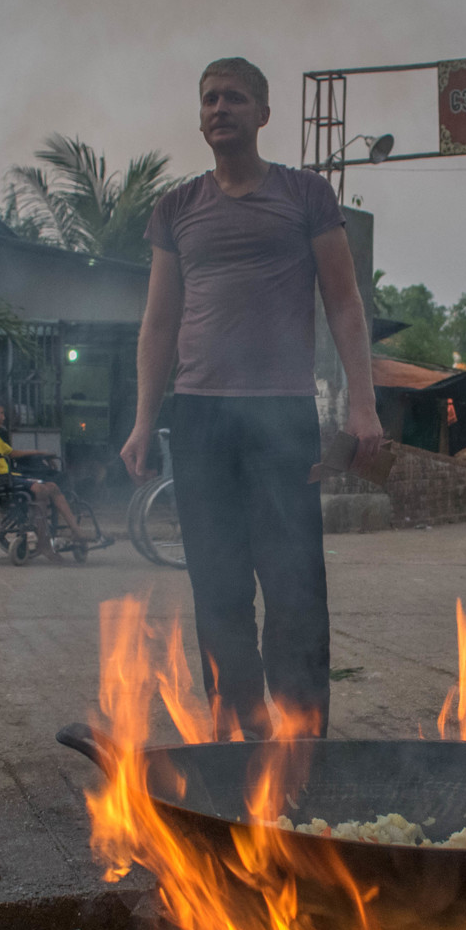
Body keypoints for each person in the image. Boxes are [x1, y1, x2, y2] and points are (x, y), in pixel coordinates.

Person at [121, 56, 382, 740]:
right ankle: (239, 738)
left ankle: (301, 741)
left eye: (234, 98)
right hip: (201, 416)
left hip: (280, 413)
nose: (219, 108)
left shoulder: (304, 196)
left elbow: (345, 301)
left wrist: (363, 403)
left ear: (264, 114)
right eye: (209, 98)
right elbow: (158, 322)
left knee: (294, 585)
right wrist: (144, 420)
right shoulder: (176, 208)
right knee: (218, 587)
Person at [0, 399, 96, 558]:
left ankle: (76, 531)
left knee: (53, 487)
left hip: (9, 478)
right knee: (40, 490)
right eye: (1, 413)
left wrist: (38, 453)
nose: (3, 417)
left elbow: (11, 453)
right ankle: (44, 543)